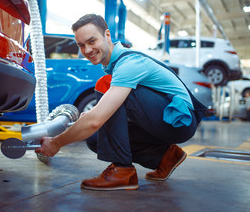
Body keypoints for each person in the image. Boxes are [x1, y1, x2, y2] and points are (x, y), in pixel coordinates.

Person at [35, 14, 206, 191]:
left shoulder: (129, 63)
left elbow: (96, 120)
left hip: (178, 122)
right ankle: (165, 157)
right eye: (81, 45)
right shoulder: (116, 66)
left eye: (92, 41)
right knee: (96, 139)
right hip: (163, 121)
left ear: (107, 35)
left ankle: (123, 172)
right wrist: (97, 116)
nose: (87, 50)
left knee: (106, 88)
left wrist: (55, 143)